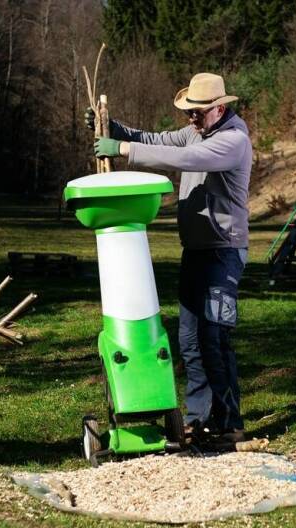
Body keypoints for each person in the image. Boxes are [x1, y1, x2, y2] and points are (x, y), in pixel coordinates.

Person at [85, 72, 252, 443]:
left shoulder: (232, 140)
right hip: (196, 252)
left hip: (223, 253)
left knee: (214, 338)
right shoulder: (198, 130)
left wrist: (123, 151)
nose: (191, 118)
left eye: (198, 112)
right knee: (190, 340)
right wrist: (114, 129)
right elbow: (155, 139)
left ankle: (230, 424)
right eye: (189, 111)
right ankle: (200, 418)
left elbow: (184, 158)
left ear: (219, 108)